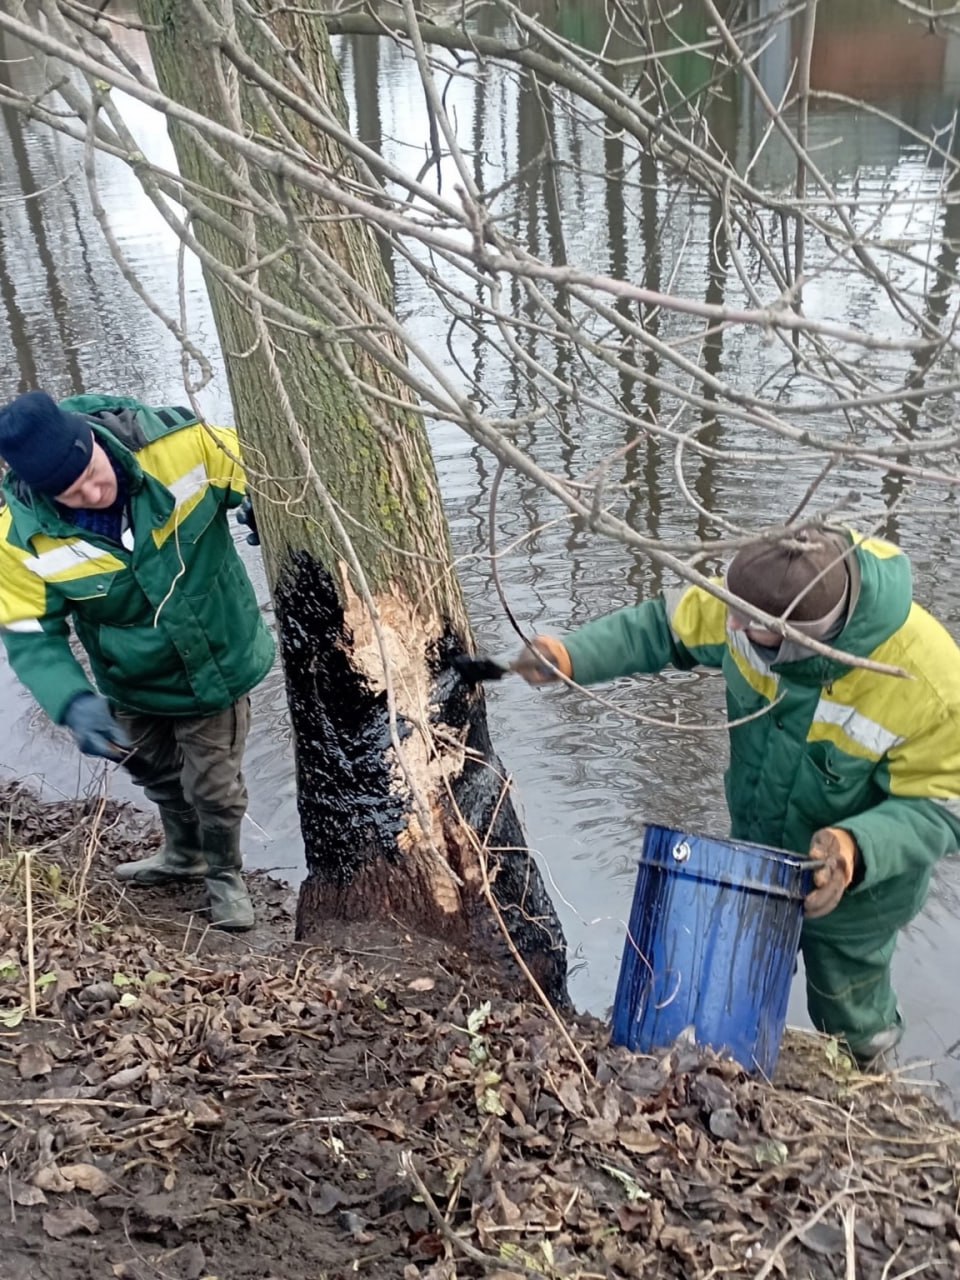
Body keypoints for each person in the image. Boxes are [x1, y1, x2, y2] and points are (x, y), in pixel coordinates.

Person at [513, 527, 960, 1069]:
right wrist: (571, 655)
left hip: (858, 891)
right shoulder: (753, 596)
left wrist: (854, 848)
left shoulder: (929, 680)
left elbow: (941, 810)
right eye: (730, 610)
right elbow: (660, 630)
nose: (730, 625)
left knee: (848, 1002)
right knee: (731, 970)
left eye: (749, 626)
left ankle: (870, 1081)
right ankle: (732, 1068)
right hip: (755, 850)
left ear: (803, 640)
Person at [0, 391, 275, 931]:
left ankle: (224, 874)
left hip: (216, 659)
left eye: (91, 473)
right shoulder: (17, 536)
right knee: (146, 765)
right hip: (129, 676)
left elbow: (265, 473)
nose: (93, 492)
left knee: (214, 788)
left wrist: (265, 510)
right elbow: (29, 630)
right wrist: (72, 700)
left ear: (92, 441)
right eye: (71, 493)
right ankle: (183, 853)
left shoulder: (181, 444)